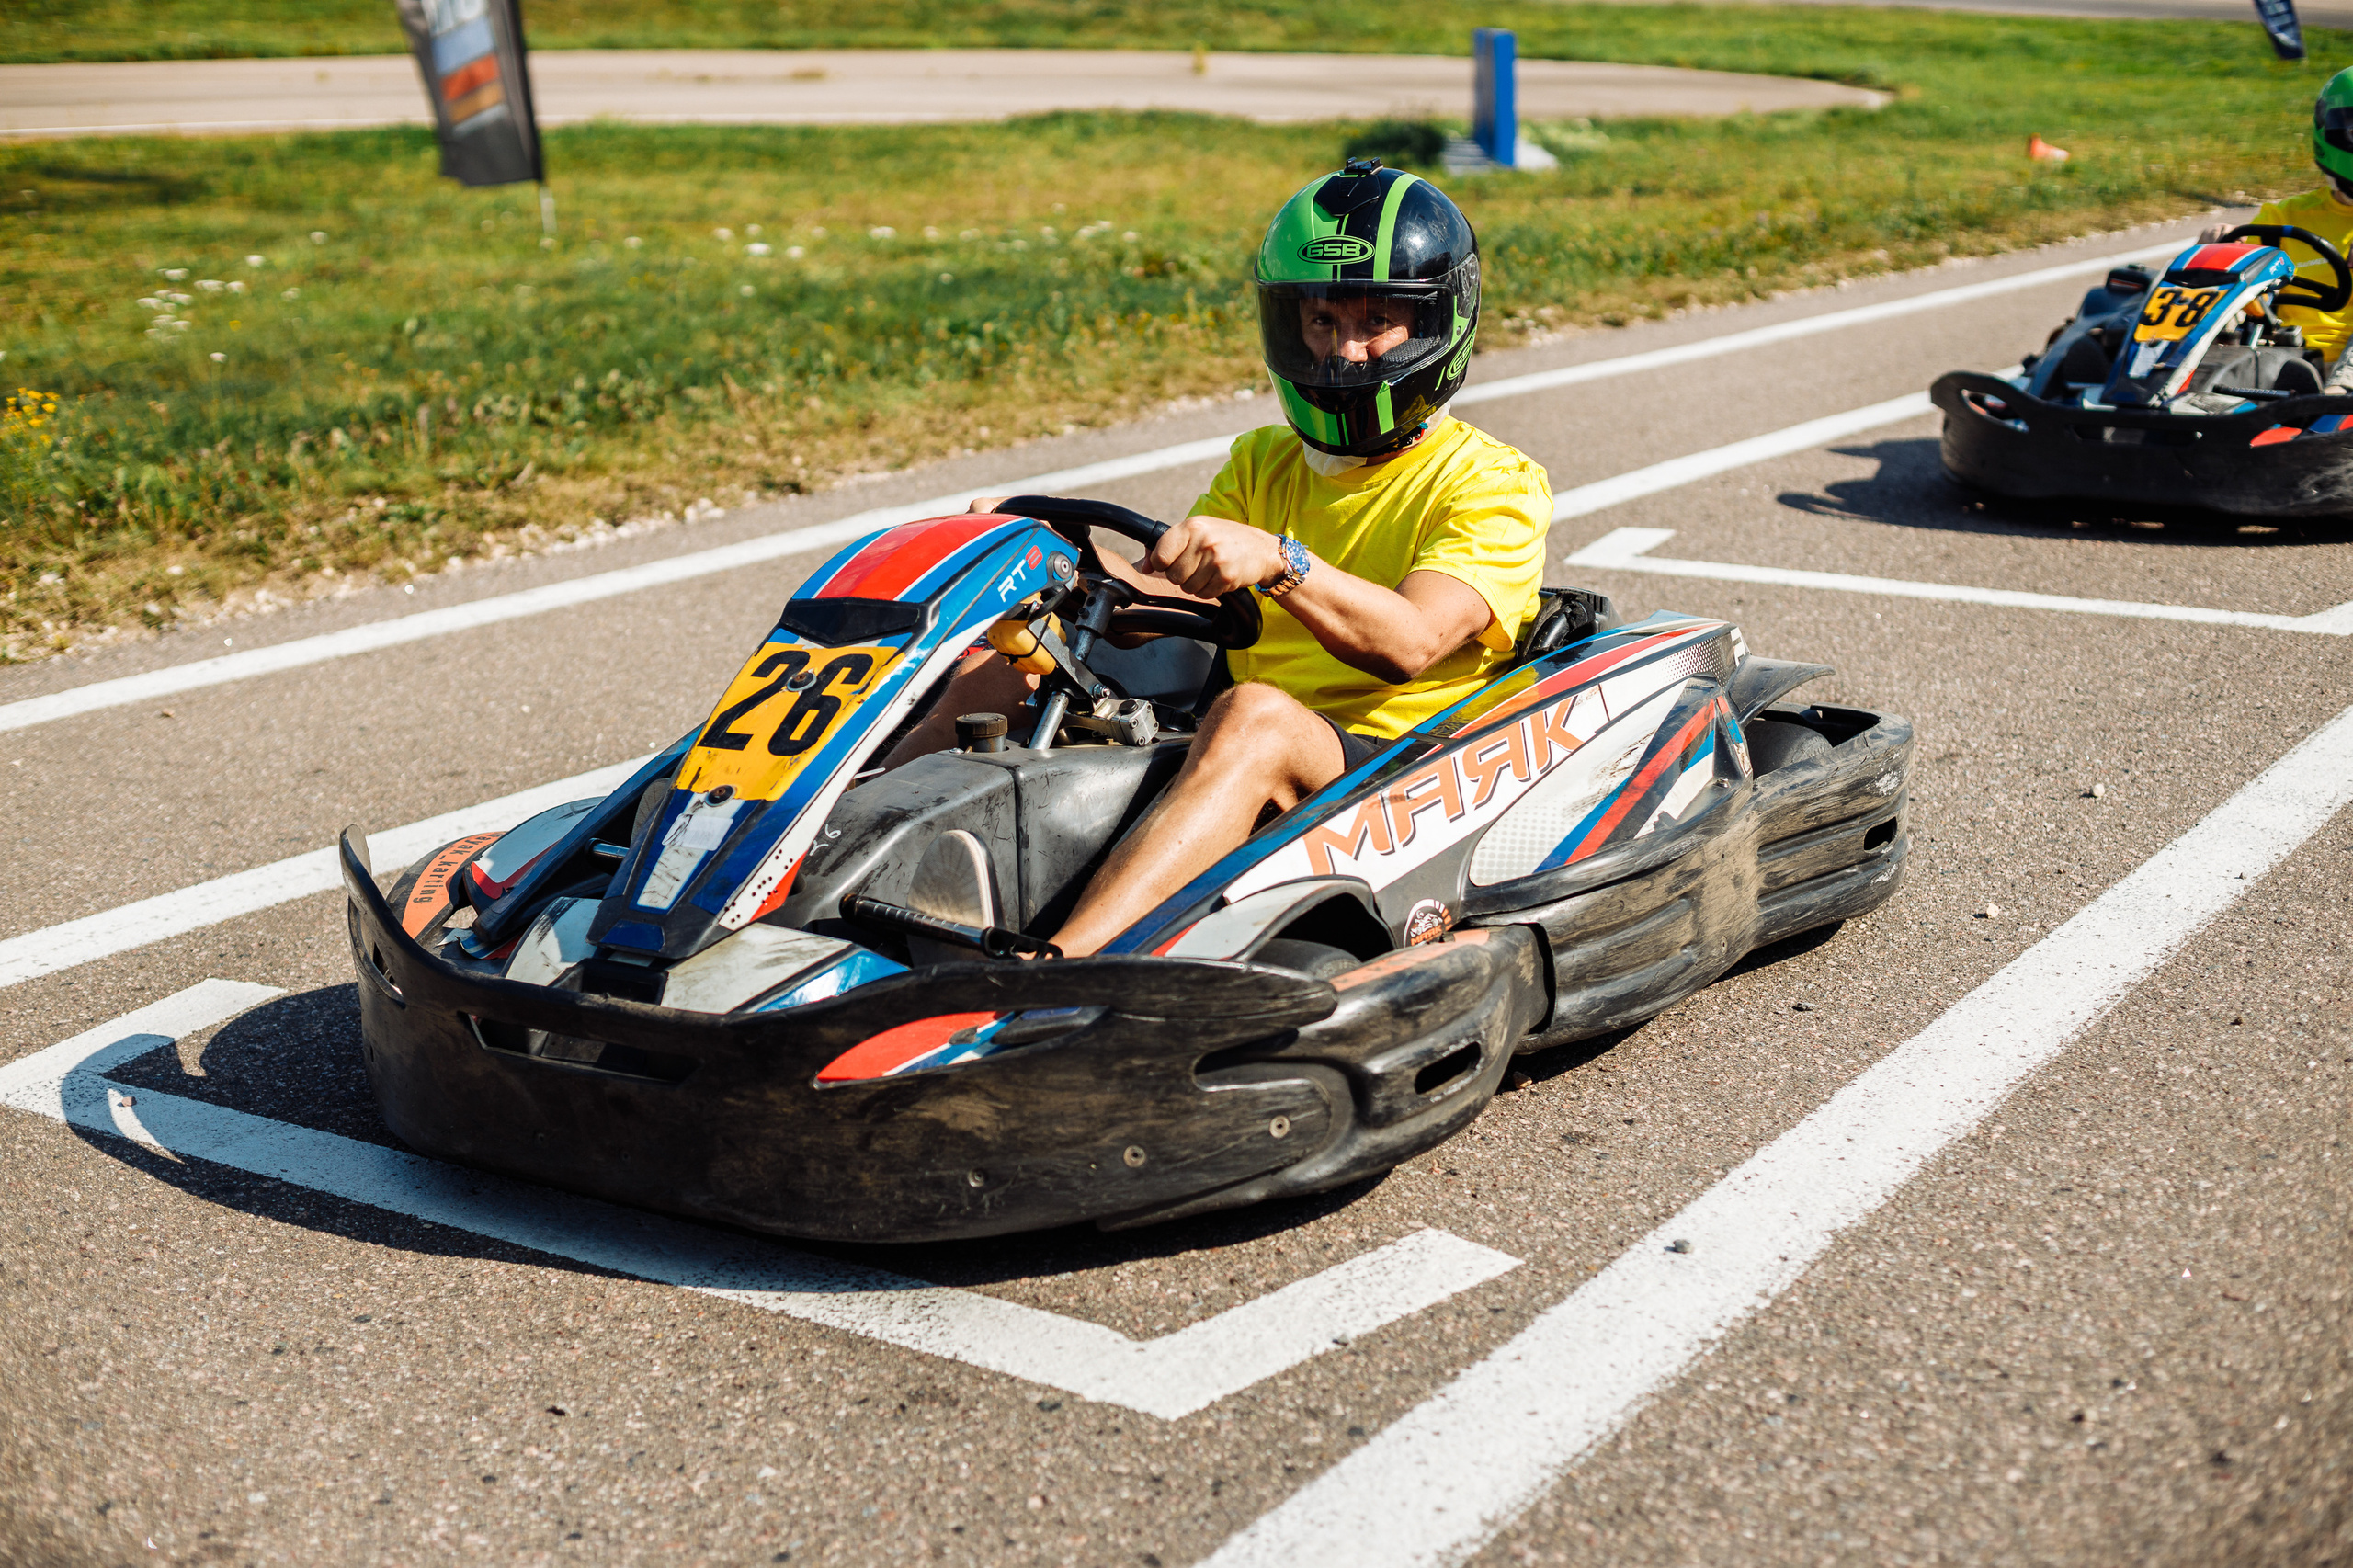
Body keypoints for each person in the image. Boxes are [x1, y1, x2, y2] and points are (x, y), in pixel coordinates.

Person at [879, 159, 1551, 956]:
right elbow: (1178, 596)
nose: (1347, 354)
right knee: (1015, 655)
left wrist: (1279, 560)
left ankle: (1066, 965)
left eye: (1378, 322)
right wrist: (1042, 558)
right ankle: (821, 850)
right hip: (1246, 739)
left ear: (1438, 325)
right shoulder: (1265, 459)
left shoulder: (1493, 483)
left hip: (1404, 773)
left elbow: (1411, 641)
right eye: (1323, 324)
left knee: (1254, 713)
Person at [2198, 66, 2353, 386]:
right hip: (2288, 365)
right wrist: (2218, 253)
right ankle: (2137, 367)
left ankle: (2338, 399)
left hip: (2344, 377)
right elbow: (2239, 281)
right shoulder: (2285, 217)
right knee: (2191, 287)